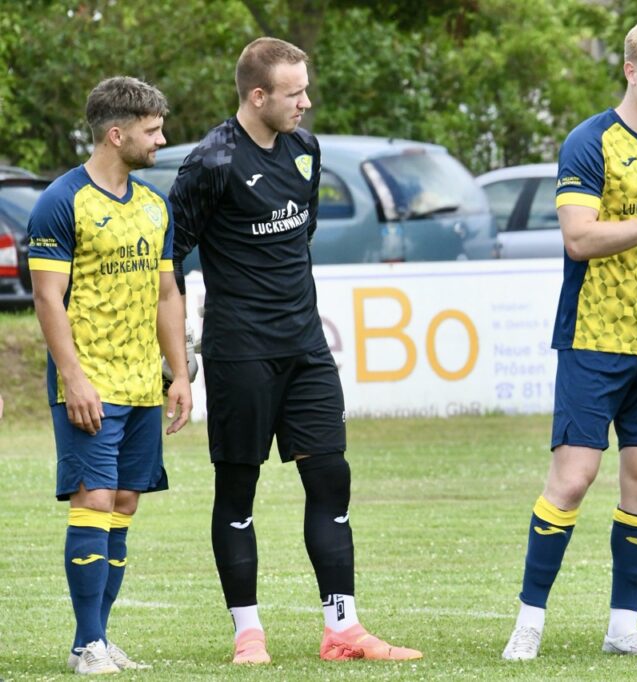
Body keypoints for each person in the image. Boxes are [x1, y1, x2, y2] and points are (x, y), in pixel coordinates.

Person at [169, 37, 420, 664]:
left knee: (331, 477)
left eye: (305, 89)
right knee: (238, 488)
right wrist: (176, 359)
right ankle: (247, 634)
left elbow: (295, 240)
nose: (306, 102)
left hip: (306, 347)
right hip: (240, 352)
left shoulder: (306, 151)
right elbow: (166, 259)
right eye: (294, 92)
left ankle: (343, 630)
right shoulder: (211, 163)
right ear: (258, 96)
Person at [501, 18, 637, 661]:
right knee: (572, 479)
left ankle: (624, 625)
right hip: (595, 337)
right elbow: (580, 238)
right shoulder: (589, 141)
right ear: (631, 71)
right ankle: (529, 621)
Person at [27, 76, 192, 674]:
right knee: (93, 497)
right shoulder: (61, 201)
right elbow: (48, 299)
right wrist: (73, 377)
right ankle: (85, 644)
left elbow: (167, 292)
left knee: (124, 502)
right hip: (89, 381)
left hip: (144, 381)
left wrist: (179, 374)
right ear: (116, 133)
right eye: (152, 130)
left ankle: (101, 637)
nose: (161, 139)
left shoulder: (154, 204)